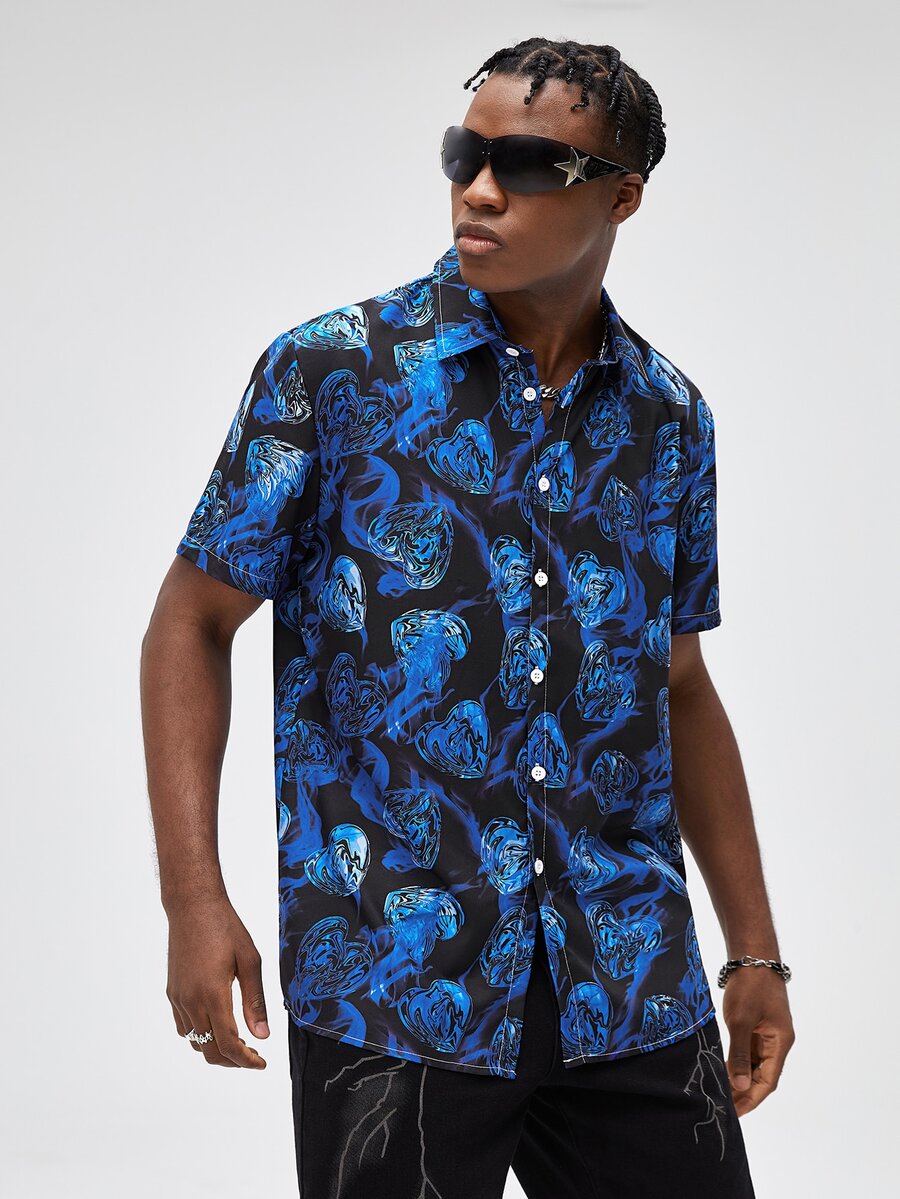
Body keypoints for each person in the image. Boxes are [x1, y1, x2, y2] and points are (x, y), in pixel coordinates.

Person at [141, 36, 795, 1198]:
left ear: (623, 197)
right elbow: (190, 620)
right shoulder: (331, 374)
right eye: (466, 155)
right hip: (395, 975)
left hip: (625, 975)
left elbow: (679, 683)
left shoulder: (669, 419)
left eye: (531, 165)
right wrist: (194, 898)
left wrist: (754, 948)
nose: (481, 190)